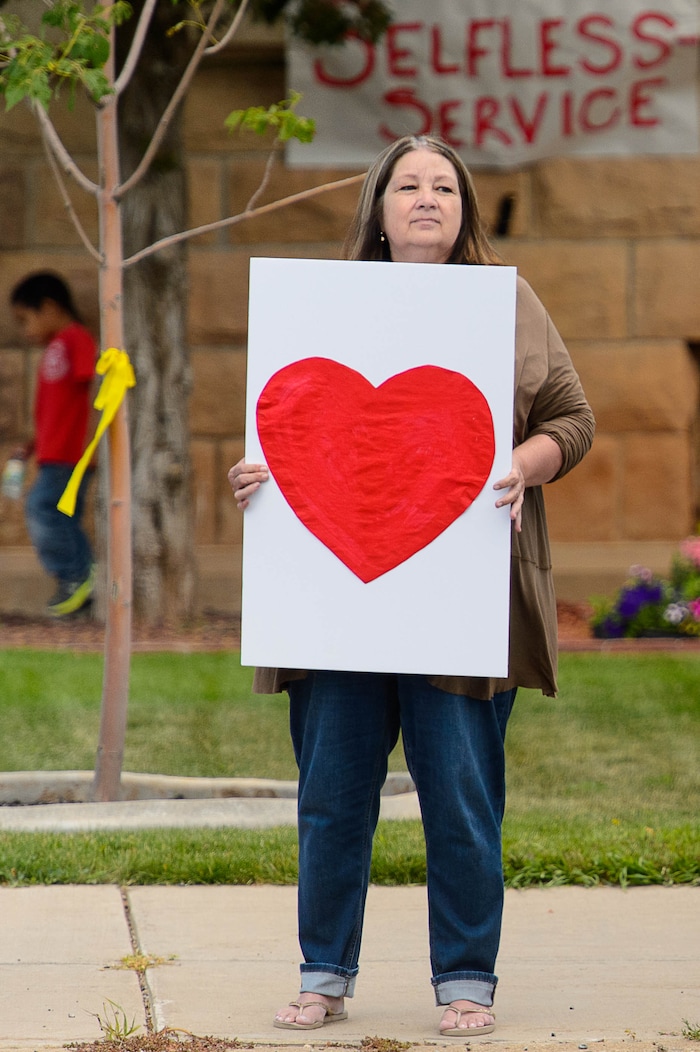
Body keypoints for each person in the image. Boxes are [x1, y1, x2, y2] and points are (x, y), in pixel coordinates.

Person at [228, 135, 595, 1037]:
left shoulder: (505, 305)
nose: (427, 197)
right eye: (407, 185)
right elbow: (286, 427)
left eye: (444, 186)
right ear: (379, 209)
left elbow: (573, 420)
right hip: (334, 604)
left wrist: (521, 462)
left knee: (463, 801)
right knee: (331, 799)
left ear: (464, 208)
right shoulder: (317, 308)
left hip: (460, 605)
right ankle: (324, 976)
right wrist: (257, 472)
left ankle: (468, 978)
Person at [9, 272, 97, 617]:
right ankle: (80, 584)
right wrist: (30, 445)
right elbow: (53, 410)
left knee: (43, 508)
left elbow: (93, 391)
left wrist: (92, 444)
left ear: (48, 307)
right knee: (60, 515)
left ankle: (77, 576)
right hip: (52, 454)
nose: (23, 329)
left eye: (24, 319)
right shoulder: (55, 347)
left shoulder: (76, 339)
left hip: (71, 455)